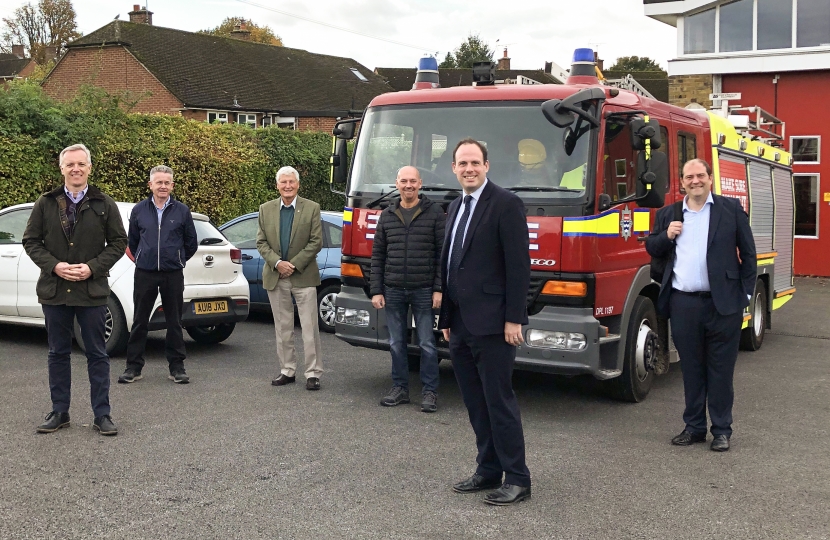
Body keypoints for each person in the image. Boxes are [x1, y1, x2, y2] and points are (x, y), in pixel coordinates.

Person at [438, 138, 532, 505]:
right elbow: (450, 266)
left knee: (499, 401)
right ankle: (488, 468)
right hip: (460, 323)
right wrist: (447, 315)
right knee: (475, 403)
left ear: (487, 166)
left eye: (474, 163)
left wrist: (514, 319)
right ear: (454, 169)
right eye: (462, 164)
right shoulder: (455, 207)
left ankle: (518, 478)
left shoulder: (506, 205)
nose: (468, 169)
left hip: (494, 324)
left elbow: (518, 267)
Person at [646, 158, 757, 452]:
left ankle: (721, 430)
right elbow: (651, 248)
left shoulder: (730, 210)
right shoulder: (669, 214)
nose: (695, 181)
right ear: (682, 182)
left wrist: (745, 295)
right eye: (688, 177)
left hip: (723, 306)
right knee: (692, 371)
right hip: (684, 305)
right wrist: (667, 236)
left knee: (720, 372)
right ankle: (694, 428)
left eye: (700, 175)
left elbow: (749, 255)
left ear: (710, 178)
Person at [23, 143, 128, 436]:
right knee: (58, 353)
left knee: (97, 353)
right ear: (62, 169)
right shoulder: (45, 203)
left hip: (91, 291)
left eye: (81, 164)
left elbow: (120, 242)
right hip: (54, 291)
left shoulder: (104, 203)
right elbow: (31, 241)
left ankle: (102, 415)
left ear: (89, 168)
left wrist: (93, 267)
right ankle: (60, 411)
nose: (76, 169)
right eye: (70, 165)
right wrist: (54, 266)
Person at [370, 166, 446, 412]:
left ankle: (430, 392)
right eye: (404, 181)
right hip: (392, 290)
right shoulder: (387, 214)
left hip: (424, 289)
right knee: (396, 343)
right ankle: (400, 388)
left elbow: (442, 256)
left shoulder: (434, 213)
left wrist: (439, 289)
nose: (408, 185)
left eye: (413, 181)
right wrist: (376, 290)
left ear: (420, 184)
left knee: (426, 343)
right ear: (397, 184)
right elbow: (378, 255)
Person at [119, 165, 198, 385]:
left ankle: (177, 367)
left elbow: (191, 242)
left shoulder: (182, 210)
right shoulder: (139, 210)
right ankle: (133, 367)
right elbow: (132, 241)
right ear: (150, 185)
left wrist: (178, 259)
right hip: (145, 273)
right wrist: (144, 258)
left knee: (174, 321)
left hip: (173, 273)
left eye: (167, 182)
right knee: (140, 321)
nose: (163, 186)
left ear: (172, 185)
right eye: (159, 182)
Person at [256, 166, 324, 391]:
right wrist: (278, 263)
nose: (287, 186)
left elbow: (316, 242)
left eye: (291, 182)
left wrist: (292, 264)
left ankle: (313, 373)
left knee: (309, 327)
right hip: (276, 276)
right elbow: (261, 243)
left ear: (298, 184)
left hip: (303, 275)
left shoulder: (312, 208)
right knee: (283, 327)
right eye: (283, 182)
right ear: (277, 185)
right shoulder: (265, 210)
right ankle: (287, 370)